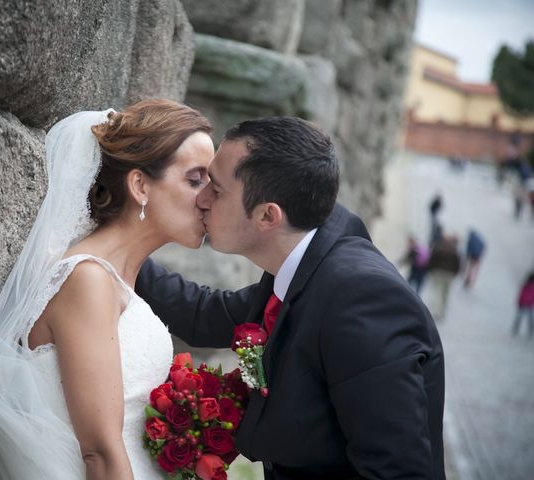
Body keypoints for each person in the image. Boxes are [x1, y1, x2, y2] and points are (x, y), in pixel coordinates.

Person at [136, 117, 446, 479]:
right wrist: (119, 249)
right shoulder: (304, 259)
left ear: (268, 215)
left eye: (216, 190)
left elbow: (398, 471)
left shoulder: (362, 302)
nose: (200, 199)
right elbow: (205, 314)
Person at [0, 99, 215, 479]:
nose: (208, 199)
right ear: (139, 185)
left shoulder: (118, 280)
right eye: (195, 180)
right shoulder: (88, 280)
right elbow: (99, 452)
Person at [427, 234, 461, 320]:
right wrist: (455, 273)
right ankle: (442, 312)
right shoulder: (454, 249)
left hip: (437, 272)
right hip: (449, 275)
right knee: (445, 294)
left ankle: (435, 311)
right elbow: (457, 263)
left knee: (437, 291)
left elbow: (432, 259)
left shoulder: (438, 247)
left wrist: (430, 270)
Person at [512, 272, 534, 339]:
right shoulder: (525, 286)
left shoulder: (526, 285)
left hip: (528, 304)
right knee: (520, 318)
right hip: (524, 304)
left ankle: (530, 331)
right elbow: (521, 294)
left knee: (529, 319)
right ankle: (516, 329)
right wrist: (519, 302)